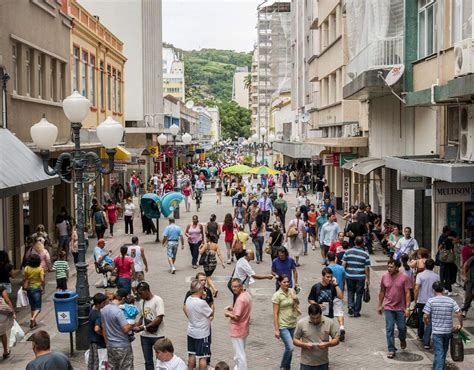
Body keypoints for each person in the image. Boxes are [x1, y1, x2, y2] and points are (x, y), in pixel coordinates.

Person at [423, 281, 463, 370]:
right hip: (448, 331)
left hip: (437, 332)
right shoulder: (450, 300)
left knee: (439, 352)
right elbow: (459, 313)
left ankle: (438, 368)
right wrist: (460, 324)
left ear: (433, 290)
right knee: (443, 351)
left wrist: (426, 323)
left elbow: (425, 316)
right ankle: (437, 367)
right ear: (443, 289)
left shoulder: (431, 301)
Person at [377, 259, 411, 359]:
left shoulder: (404, 277)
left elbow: (407, 293)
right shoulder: (384, 276)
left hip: (401, 307)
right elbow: (382, 291)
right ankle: (391, 349)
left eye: (391, 267)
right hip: (388, 307)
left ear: (397, 267)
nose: (389, 269)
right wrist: (380, 305)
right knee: (389, 328)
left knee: (402, 328)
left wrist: (408, 307)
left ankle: (402, 339)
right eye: (388, 266)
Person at [293, 304, 340, 370]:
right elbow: (295, 340)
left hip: (323, 362)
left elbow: (337, 340)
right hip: (306, 363)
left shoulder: (329, 322)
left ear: (321, 314)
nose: (315, 320)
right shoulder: (301, 323)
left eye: (317, 318)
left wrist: (327, 344)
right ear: (309, 315)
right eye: (312, 318)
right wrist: (304, 345)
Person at [101, 289, 135, 369]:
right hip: (122, 346)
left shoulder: (104, 309)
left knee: (112, 367)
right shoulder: (118, 312)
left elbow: (104, 328)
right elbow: (126, 329)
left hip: (111, 345)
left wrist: (107, 343)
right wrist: (133, 324)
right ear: (123, 299)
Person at [272, 275, 301, 370]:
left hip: (292, 323)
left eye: (287, 282)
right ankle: (283, 366)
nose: (286, 284)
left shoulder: (292, 291)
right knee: (290, 347)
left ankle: (287, 367)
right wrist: (276, 329)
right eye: (284, 282)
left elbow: (297, 303)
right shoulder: (277, 295)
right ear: (280, 283)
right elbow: (275, 313)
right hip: (283, 325)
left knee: (289, 348)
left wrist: (296, 299)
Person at [135, 282, 165, 370]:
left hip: (157, 335)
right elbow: (142, 316)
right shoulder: (141, 302)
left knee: (160, 359)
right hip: (145, 336)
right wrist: (136, 326)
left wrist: (144, 327)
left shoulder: (158, 300)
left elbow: (159, 318)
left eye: (141, 293)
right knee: (148, 361)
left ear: (147, 291)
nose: (140, 295)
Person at [184, 279, 213, 370]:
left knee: (191, 354)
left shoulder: (188, 299)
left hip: (191, 331)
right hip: (202, 333)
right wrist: (204, 299)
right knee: (203, 357)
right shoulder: (202, 303)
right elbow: (210, 313)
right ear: (199, 289)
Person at [225, 278, 252, 370]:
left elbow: (237, 317)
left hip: (237, 330)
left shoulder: (240, 299)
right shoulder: (247, 295)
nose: (234, 288)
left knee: (240, 354)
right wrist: (233, 309)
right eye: (232, 286)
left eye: (236, 286)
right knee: (240, 352)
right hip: (244, 328)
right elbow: (242, 310)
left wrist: (228, 314)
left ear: (241, 286)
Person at [414, 258, 440, 349]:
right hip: (433, 302)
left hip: (422, 301)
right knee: (430, 322)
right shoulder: (437, 276)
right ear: (433, 267)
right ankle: (427, 342)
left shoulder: (420, 275)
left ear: (425, 265)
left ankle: (421, 335)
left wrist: (415, 301)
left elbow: (417, 288)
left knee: (421, 320)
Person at [342, 236, 371, 317]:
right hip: (360, 277)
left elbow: (343, 264)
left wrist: (343, 275)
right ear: (362, 243)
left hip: (349, 275)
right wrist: (368, 279)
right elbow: (366, 268)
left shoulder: (348, 251)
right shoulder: (365, 254)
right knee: (359, 294)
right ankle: (356, 311)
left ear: (354, 242)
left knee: (350, 291)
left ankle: (350, 305)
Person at [326, 252, 346, 341]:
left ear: (327, 259)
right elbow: (343, 279)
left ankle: (329, 334)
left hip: (328, 294)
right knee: (339, 312)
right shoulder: (341, 268)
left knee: (327, 314)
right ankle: (341, 327)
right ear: (335, 258)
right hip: (339, 292)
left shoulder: (326, 269)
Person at [23, 254, 45, 329]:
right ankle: (33, 318)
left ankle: (34, 322)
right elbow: (42, 280)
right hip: (37, 289)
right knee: (38, 307)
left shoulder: (26, 268)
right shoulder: (40, 269)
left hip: (29, 289)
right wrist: (43, 287)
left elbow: (25, 278)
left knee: (32, 307)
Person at [88, 293, 108, 370]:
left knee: (92, 361)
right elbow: (97, 329)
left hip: (92, 341)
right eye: (103, 303)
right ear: (98, 304)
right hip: (98, 342)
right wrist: (103, 335)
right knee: (99, 362)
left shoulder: (92, 311)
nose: (105, 304)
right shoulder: (99, 314)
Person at [437, 226, 458, 296]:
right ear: (447, 231)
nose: (450, 232)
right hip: (446, 258)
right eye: (449, 231)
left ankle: (446, 288)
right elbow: (439, 248)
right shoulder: (444, 238)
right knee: (448, 273)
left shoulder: (444, 237)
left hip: (443, 258)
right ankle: (448, 289)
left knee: (445, 273)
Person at [0, 285, 15, 359]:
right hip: (1, 314)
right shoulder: (1, 289)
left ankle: (6, 351)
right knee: (2, 333)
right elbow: (7, 300)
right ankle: (5, 351)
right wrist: (13, 312)